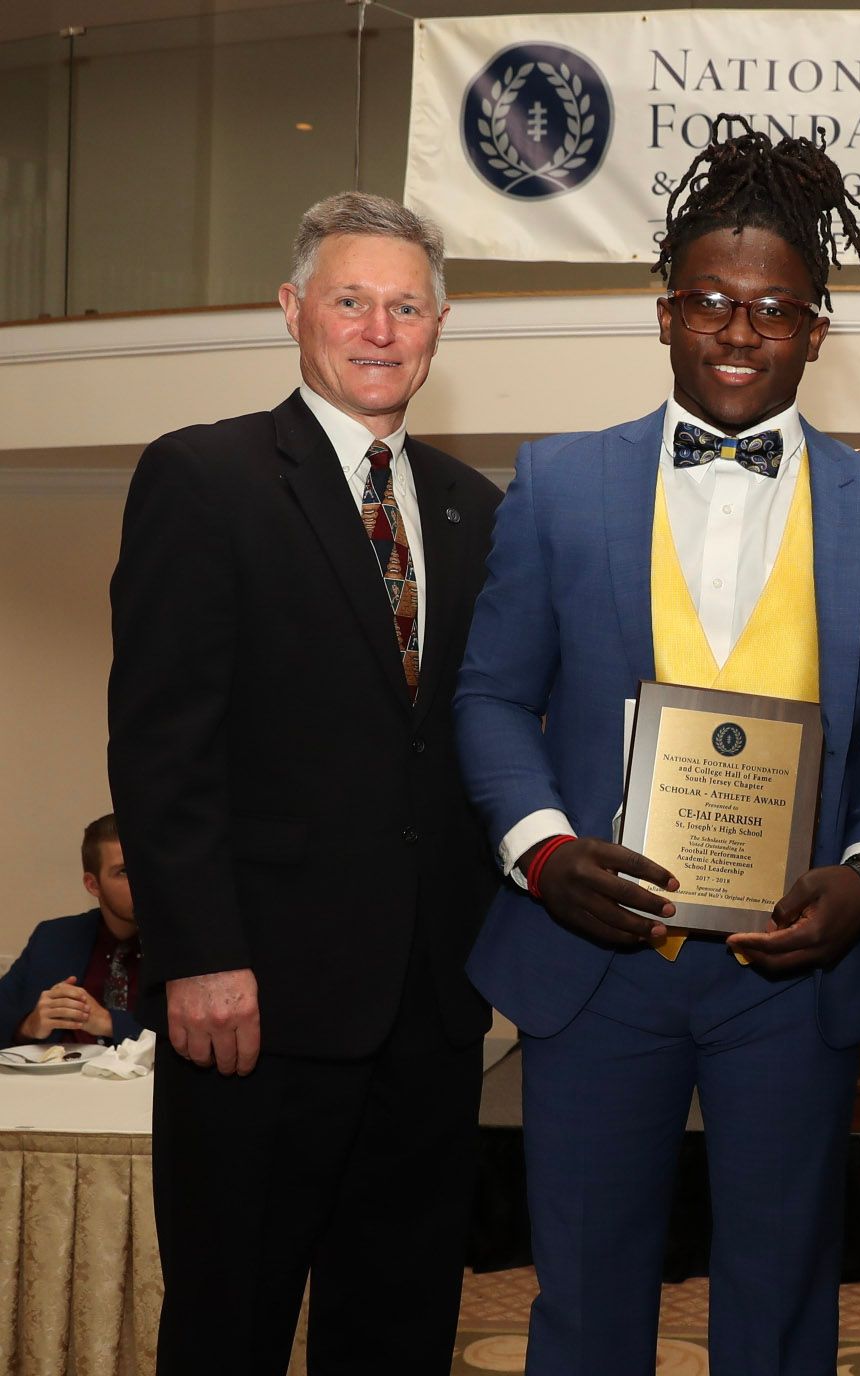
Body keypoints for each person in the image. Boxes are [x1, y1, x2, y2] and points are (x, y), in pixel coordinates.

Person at [455, 119, 860, 1375]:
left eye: (771, 309)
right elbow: (493, 697)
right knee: (582, 1293)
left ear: (815, 331)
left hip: (793, 971)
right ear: (662, 314)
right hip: (594, 957)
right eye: (710, 302)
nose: (738, 330)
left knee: (780, 1303)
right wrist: (542, 852)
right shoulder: (557, 482)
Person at [107, 192, 502, 1373]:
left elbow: (470, 738)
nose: (379, 329)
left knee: (397, 1328)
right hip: (255, 1008)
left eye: (406, 305)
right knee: (231, 1322)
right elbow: (162, 742)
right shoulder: (205, 475)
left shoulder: (474, 507)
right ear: (292, 310)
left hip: (430, 1018)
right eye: (349, 300)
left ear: (438, 326)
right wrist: (199, 953)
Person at [1, 813, 143, 1045]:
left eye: (145, 870)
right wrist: (30, 1025)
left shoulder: (181, 944)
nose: (141, 882)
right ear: (93, 884)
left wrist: (109, 1023)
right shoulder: (54, 938)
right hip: (59, 1080)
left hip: (150, 1080)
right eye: (124, 872)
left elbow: (203, 1034)